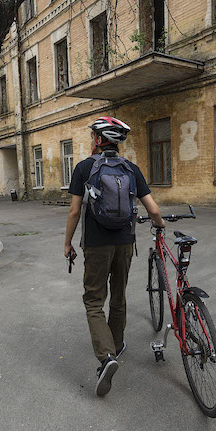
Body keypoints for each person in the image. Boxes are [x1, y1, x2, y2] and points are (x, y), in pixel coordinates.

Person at [64, 117, 165, 397]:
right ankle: (117, 345)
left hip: (96, 245)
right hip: (124, 243)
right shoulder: (131, 169)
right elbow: (153, 209)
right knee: (118, 296)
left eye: (92, 136)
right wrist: (160, 225)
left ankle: (106, 356)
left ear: (98, 140)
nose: (91, 140)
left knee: (94, 300)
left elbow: (74, 211)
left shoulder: (84, 168)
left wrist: (67, 243)